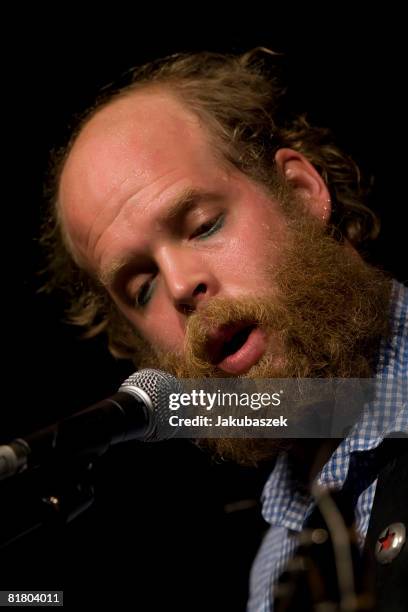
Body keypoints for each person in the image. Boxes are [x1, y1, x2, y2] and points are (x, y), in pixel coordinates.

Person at [41, 49, 407, 610]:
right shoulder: (271, 572)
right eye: (142, 288)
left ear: (302, 193)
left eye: (204, 225)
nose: (182, 285)